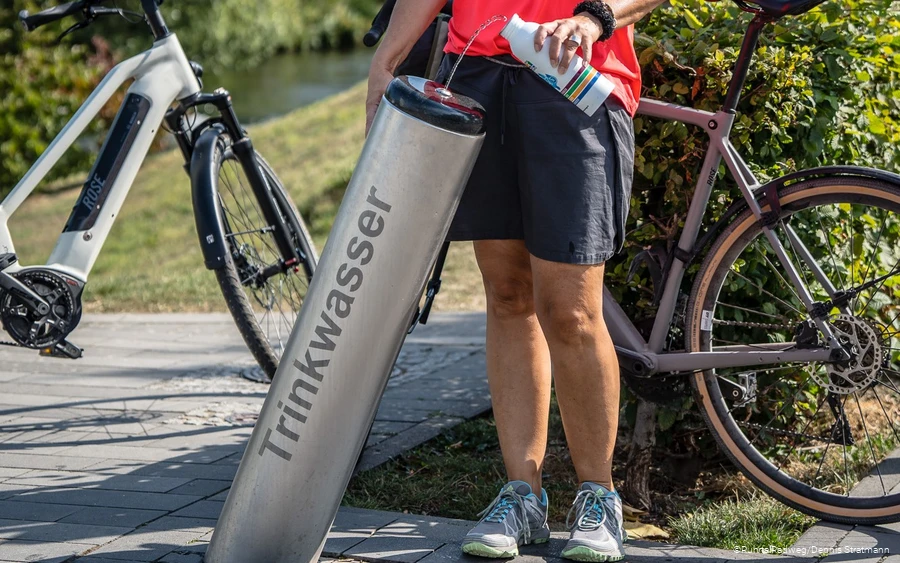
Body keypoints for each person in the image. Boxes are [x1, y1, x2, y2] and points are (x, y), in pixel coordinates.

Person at [367, 1, 663, 560]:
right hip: (477, 71)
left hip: (575, 76)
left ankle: (598, 498)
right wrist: (388, 58)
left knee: (572, 311)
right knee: (507, 294)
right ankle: (521, 497)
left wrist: (595, 16)